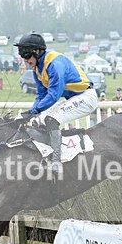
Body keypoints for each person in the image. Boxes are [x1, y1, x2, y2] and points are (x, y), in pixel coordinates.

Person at [14, 32, 98, 174]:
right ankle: (46, 155)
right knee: (37, 121)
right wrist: (31, 112)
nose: (25, 60)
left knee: (51, 119)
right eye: (22, 56)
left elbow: (53, 95)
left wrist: (30, 112)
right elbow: (41, 95)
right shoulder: (37, 69)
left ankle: (56, 162)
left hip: (86, 97)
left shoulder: (55, 64)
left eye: (26, 55)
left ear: (37, 52)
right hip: (74, 98)